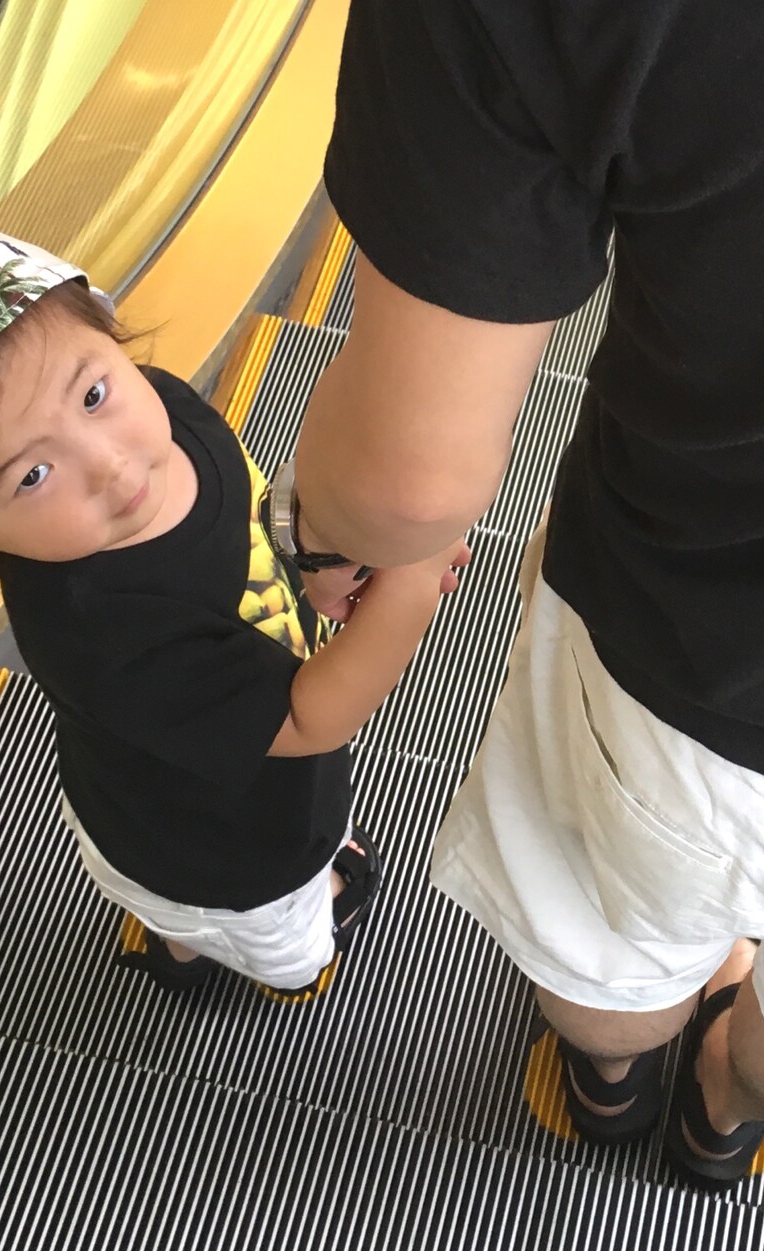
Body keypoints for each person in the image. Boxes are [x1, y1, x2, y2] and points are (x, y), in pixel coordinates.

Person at [285, 0, 764, 1189]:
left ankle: (608, 1082)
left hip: (681, 652)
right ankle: (724, 1114)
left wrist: (322, 537)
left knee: (604, 922)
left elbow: (406, 481)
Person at [0, 210, 467, 1004]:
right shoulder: (98, 630)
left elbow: (251, 508)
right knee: (281, 939)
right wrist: (412, 576)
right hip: (223, 853)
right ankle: (244, 963)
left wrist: (311, 553)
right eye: (31, 476)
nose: (110, 463)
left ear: (104, 325)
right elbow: (311, 720)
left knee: (228, 886)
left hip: (187, 787)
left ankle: (183, 939)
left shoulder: (161, 408)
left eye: (93, 393)